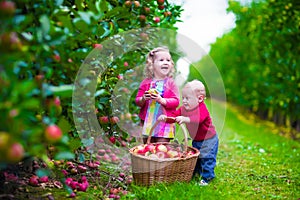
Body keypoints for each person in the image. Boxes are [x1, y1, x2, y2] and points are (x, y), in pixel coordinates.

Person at [158, 80, 219, 186]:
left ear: (199, 99)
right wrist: (166, 118)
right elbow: (174, 116)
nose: (184, 101)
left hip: (209, 139)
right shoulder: (184, 109)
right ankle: (196, 173)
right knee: (197, 158)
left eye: (188, 98)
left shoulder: (202, 108)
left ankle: (207, 178)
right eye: (183, 98)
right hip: (197, 139)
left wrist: (185, 119)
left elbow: (198, 119)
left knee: (207, 158)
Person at [135, 46, 180, 144]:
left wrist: (162, 100)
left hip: (165, 122)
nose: (165, 62)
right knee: (148, 146)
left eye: (168, 60)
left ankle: (160, 158)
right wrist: (143, 99)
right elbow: (137, 100)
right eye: (161, 60)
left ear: (171, 65)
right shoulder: (146, 82)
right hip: (148, 121)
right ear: (152, 64)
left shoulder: (171, 83)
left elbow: (176, 101)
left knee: (161, 147)